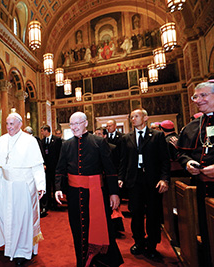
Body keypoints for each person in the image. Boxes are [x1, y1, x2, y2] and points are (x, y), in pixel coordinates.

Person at [55, 112, 123, 267]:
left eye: (77, 123)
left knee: (100, 227)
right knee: (77, 228)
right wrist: (58, 188)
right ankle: (82, 261)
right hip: (74, 194)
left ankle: (101, 260)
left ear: (85, 123)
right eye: (71, 124)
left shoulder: (99, 141)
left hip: (96, 192)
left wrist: (114, 193)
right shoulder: (66, 144)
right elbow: (60, 169)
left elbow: (110, 169)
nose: (74, 127)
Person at [0, 113, 45, 265]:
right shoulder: (1, 140)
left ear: (20, 124)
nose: (9, 127)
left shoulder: (30, 141)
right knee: (6, 216)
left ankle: (22, 251)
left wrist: (41, 185)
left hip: (24, 186)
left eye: (12, 124)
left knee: (22, 219)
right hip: (6, 186)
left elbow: (37, 166)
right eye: (7, 124)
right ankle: (10, 247)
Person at [119, 108, 170, 261]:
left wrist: (164, 179)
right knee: (136, 213)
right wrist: (121, 177)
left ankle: (152, 244)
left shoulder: (157, 136)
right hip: (134, 181)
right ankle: (139, 242)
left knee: (153, 214)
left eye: (136, 116)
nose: (133, 119)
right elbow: (123, 160)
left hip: (152, 181)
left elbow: (164, 160)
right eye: (131, 117)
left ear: (145, 118)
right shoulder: (126, 138)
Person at [176, 80, 214, 267]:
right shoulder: (193, 126)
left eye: (203, 95)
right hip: (199, 187)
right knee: (206, 232)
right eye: (195, 97)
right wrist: (188, 162)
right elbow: (181, 152)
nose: (198, 100)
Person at [41, 125, 62, 212]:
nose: (42, 133)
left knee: (55, 185)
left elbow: (60, 153)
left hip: (55, 167)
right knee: (47, 185)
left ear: (47, 131)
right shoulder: (42, 141)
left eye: (42, 131)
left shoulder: (57, 140)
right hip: (46, 168)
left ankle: (55, 203)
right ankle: (48, 203)